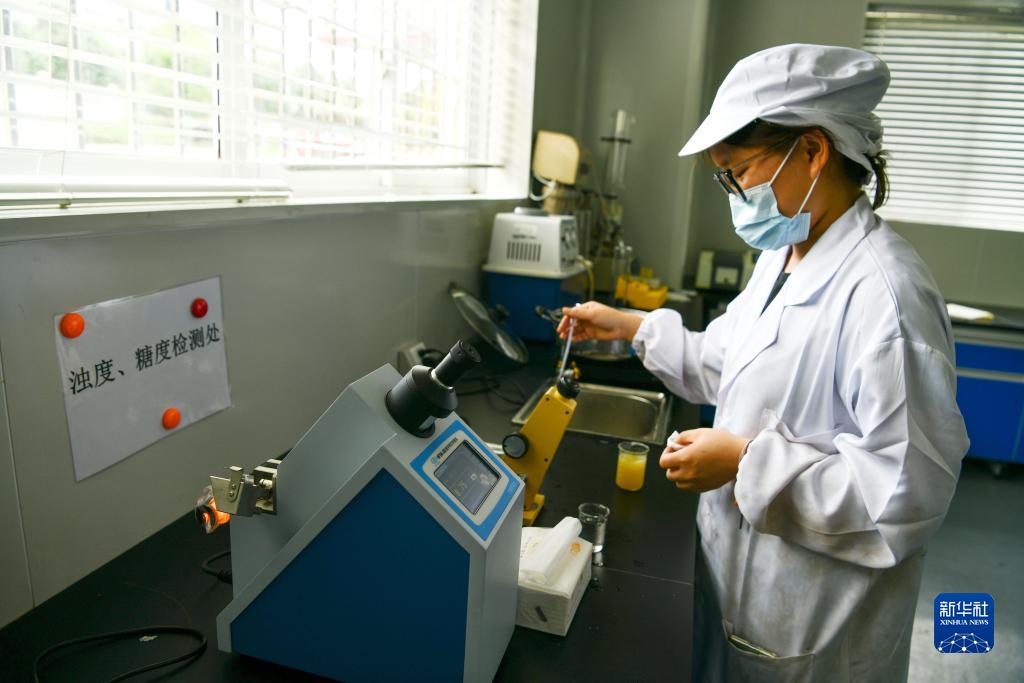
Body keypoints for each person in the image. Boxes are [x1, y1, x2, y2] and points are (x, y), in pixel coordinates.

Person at [558, 44, 968, 682]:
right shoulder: (785, 256)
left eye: (739, 172)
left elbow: (904, 498)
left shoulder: (888, 300)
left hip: (816, 631)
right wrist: (633, 326)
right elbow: (732, 364)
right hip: (740, 596)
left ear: (813, 150)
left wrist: (745, 462)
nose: (734, 193)